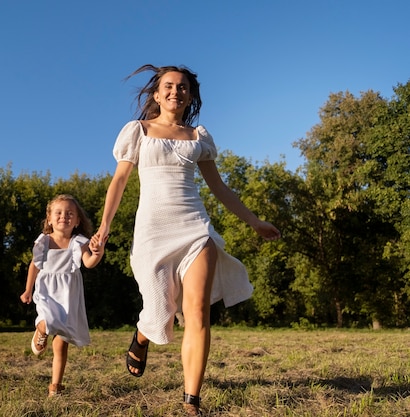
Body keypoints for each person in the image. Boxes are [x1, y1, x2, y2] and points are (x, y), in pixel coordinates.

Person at [94, 64, 281, 416]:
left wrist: (255, 221)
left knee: (196, 312)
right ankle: (143, 334)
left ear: (190, 96)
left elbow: (220, 188)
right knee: (160, 313)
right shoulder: (138, 132)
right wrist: (104, 227)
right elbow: (119, 182)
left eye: (182, 87)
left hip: (195, 228)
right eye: (168, 86)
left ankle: (191, 400)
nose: (175, 92)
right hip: (152, 230)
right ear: (156, 93)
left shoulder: (199, 137)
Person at [20, 194, 105, 397]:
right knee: (48, 317)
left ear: (77, 221)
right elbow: (34, 265)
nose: (63, 216)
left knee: (61, 343)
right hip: (47, 290)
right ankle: (41, 328)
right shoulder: (44, 241)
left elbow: (88, 263)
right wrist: (28, 289)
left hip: (68, 294)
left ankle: (55, 387)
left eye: (69, 213)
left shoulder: (79, 242)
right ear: (49, 218)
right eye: (58, 212)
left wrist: (98, 253)